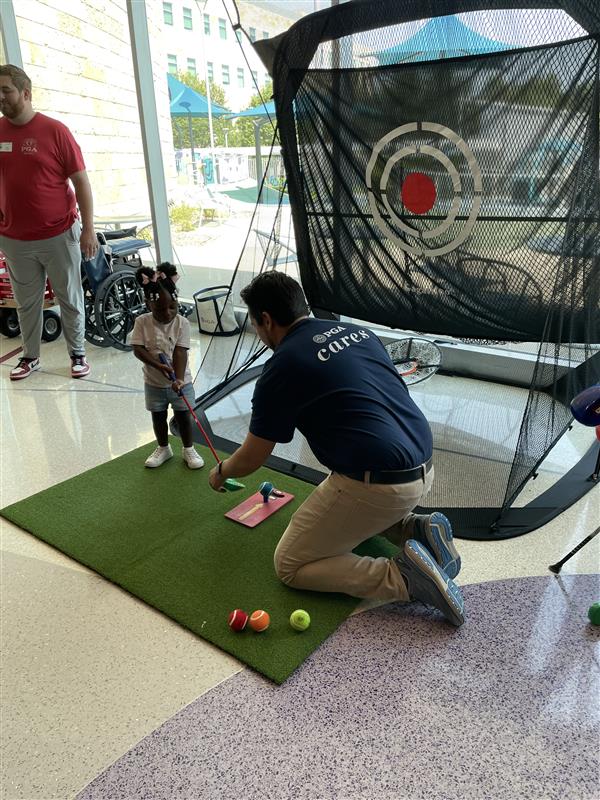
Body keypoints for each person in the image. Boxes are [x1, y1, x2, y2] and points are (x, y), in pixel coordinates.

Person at [209, 271, 464, 626]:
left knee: (290, 564)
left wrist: (221, 472)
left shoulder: (281, 367)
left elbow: (252, 457)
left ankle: (404, 578)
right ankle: (414, 528)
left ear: (266, 320)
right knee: (343, 498)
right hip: (424, 462)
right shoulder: (357, 332)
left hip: (378, 485)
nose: (256, 329)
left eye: (254, 321)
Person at [0, 64, 97, 381]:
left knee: (70, 297)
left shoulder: (55, 131)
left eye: (6, 90)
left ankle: (78, 354)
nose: (0, 97)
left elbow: (81, 182)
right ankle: (30, 357)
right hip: (15, 238)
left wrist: (90, 230)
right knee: (26, 303)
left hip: (59, 233)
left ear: (25, 93)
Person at [131, 264, 204, 470]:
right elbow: (138, 349)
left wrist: (179, 379)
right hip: (153, 382)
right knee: (158, 416)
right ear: (148, 304)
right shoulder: (142, 322)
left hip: (182, 382)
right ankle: (164, 448)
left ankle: (188, 448)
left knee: (184, 416)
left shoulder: (182, 323)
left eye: (172, 306)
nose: (168, 313)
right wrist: (157, 365)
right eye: (160, 309)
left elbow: (180, 352)